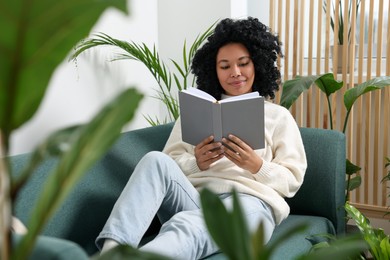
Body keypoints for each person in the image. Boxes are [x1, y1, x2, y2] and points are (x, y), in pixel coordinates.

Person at [96, 17, 307, 259]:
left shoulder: (278, 116)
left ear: (256, 64)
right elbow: (169, 162)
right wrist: (196, 162)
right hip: (195, 199)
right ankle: (111, 251)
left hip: (250, 205)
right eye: (225, 66)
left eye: (243, 63)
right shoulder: (196, 111)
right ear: (213, 71)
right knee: (155, 160)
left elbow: (293, 179)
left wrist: (257, 166)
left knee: (189, 227)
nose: (235, 73)